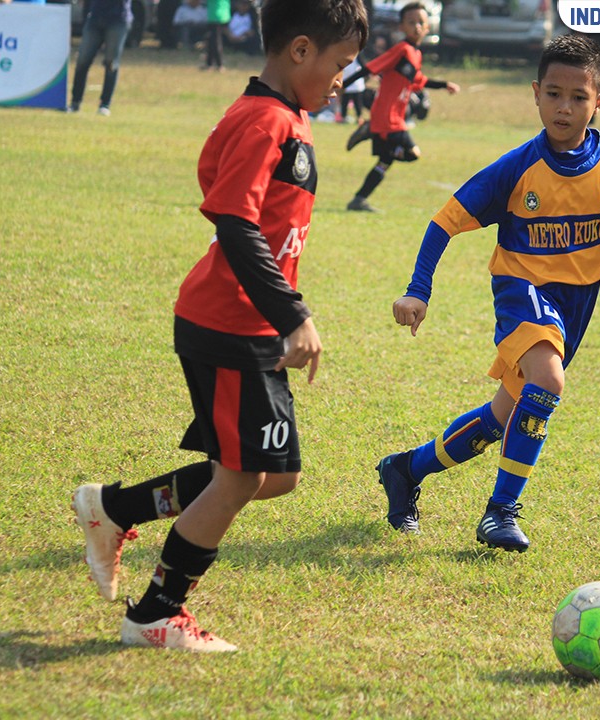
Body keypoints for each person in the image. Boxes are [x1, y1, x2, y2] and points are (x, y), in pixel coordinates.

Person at [71, 0, 368, 652]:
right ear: (298, 52)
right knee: (240, 476)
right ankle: (156, 613)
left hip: (247, 325)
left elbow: (248, 210)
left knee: (275, 473)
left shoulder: (283, 116)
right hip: (230, 324)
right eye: (340, 64)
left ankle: (114, 510)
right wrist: (293, 314)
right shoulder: (266, 121)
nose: (344, 80)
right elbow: (234, 222)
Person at [377, 33, 600, 552]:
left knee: (502, 417)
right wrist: (418, 291)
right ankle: (499, 514)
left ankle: (404, 469)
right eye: (553, 94)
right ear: (535, 94)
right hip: (521, 289)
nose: (564, 107)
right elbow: (445, 222)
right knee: (548, 381)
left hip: (576, 305)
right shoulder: (518, 167)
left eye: (578, 97)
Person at [343, 2, 459, 212]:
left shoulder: (415, 54)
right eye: (411, 22)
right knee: (413, 153)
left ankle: (358, 200)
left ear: (427, 27)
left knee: (385, 161)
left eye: (421, 22)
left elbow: (418, 80)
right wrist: (343, 86)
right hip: (388, 118)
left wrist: (444, 85)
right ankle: (369, 130)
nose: (416, 26)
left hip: (394, 116)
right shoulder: (402, 50)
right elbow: (370, 68)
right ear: (401, 27)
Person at [69, 0, 132, 115]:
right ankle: (75, 102)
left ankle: (105, 104)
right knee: (82, 60)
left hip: (118, 19)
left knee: (111, 63)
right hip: (95, 18)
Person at [201, 0, 230, 71]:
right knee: (212, 40)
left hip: (216, 15)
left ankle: (219, 64)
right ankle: (209, 64)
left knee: (215, 41)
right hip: (221, 14)